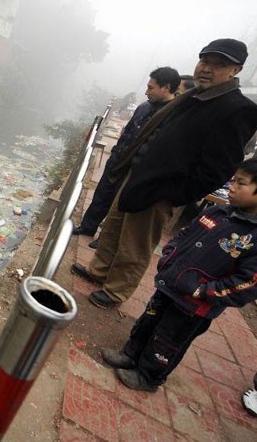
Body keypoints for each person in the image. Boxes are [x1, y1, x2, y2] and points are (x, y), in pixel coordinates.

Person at [71, 38, 257, 309]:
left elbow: (218, 169)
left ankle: (115, 292)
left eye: (219, 64)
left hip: (161, 191)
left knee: (134, 244)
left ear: (236, 70)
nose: (207, 68)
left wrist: (172, 196)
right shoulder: (193, 96)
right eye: (205, 60)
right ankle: (98, 272)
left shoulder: (236, 108)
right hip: (137, 176)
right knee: (114, 228)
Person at [99, 158, 257, 391]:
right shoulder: (217, 211)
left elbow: (247, 283)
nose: (231, 186)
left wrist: (205, 291)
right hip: (170, 286)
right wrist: (169, 254)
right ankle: (130, 354)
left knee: (168, 340)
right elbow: (184, 234)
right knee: (148, 321)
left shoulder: (253, 237)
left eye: (240, 183)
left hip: (195, 305)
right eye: (233, 180)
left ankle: (148, 376)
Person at [72, 68, 180, 242]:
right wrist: (115, 154)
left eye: (151, 88)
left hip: (137, 169)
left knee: (119, 204)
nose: (146, 92)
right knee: (102, 194)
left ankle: (105, 239)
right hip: (119, 160)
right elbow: (127, 132)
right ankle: (87, 227)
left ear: (166, 88)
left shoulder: (172, 116)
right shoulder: (144, 107)